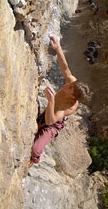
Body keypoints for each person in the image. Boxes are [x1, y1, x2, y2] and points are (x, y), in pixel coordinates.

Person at [28, 35, 90, 167]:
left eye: (69, 88)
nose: (66, 85)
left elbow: (50, 121)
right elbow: (65, 68)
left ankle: (35, 159)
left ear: (73, 97)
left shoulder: (70, 107)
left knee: (35, 148)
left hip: (53, 124)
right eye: (70, 84)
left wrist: (51, 101)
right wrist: (58, 48)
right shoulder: (73, 83)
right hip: (49, 111)